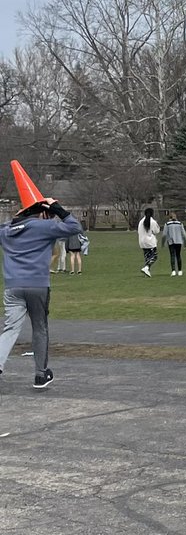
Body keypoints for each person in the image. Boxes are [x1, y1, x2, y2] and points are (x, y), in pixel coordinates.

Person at [0, 163, 83, 389]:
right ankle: (40, 374)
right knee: (40, 327)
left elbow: (11, 226)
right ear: (42, 212)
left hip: (12, 286)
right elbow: (75, 226)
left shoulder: (6, 231)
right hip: (37, 284)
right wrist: (56, 208)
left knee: (10, 328)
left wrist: (17, 219)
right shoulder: (44, 227)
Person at [137, 208, 160, 277]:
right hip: (150, 241)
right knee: (154, 256)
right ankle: (146, 267)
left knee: (147, 257)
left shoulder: (141, 221)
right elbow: (156, 231)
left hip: (142, 241)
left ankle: (147, 272)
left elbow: (138, 231)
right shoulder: (153, 222)